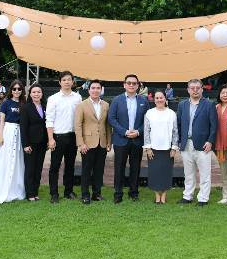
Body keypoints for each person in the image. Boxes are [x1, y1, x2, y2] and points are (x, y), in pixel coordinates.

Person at [108, 74, 150, 203]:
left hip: (137, 140)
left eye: (134, 83)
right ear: (124, 85)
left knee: (135, 168)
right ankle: (118, 193)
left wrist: (138, 132)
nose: (131, 85)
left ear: (138, 85)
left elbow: (147, 120)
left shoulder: (144, 101)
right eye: (129, 83)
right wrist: (124, 132)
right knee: (119, 167)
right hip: (121, 140)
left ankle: (134, 193)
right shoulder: (116, 100)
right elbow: (111, 119)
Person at [177, 78, 218, 206]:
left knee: (205, 173)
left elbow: (214, 126)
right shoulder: (182, 105)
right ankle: (187, 196)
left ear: (202, 89)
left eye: (197, 88)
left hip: (203, 144)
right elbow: (179, 124)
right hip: (186, 144)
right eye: (192, 88)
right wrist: (180, 141)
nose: (195, 90)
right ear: (188, 90)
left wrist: (210, 141)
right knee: (188, 173)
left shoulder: (209, 104)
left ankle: (203, 198)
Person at [46, 70, 83, 203]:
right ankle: (54, 194)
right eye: (64, 80)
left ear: (73, 82)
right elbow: (49, 120)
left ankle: (68, 191)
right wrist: (51, 138)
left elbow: (80, 118)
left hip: (72, 136)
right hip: (58, 137)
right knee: (54, 167)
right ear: (60, 82)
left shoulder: (78, 98)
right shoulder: (53, 98)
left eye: (69, 79)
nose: (67, 82)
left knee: (70, 165)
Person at [0, 80, 26, 203]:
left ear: (22, 90)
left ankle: (16, 189)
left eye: (19, 89)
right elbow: (2, 121)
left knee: (17, 160)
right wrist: (1, 136)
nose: (17, 91)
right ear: (11, 90)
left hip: (19, 132)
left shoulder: (24, 103)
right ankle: (2, 189)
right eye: (14, 89)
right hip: (8, 131)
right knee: (5, 159)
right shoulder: (6, 103)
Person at [74, 80, 111, 204]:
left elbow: (107, 125)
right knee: (86, 170)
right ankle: (85, 195)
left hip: (102, 142)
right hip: (87, 143)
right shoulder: (82, 105)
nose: (95, 90)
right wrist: (81, 143)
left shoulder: (106, 105)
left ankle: (97, 194)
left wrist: (109, 142)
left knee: (99, 170)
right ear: (89, 90)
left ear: (101, 90)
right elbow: (78, 125)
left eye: (98, 88)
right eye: (93, 88)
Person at [143, 91, 179, 204]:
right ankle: (157, 196)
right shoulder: (149, 113)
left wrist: (174, 148)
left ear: (165, 99)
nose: (159, 100)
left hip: (167, 149)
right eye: (157, 98)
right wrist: (148, 148)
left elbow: (175, 132)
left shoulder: (171, 113)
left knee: (166, 173)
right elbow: (146, 131)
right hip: (153, 149)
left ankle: (163, 196)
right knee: (154, 173)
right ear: (154, 100)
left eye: (161, 97)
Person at [20, 83, 48, 201]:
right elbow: (23, 127)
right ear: (30, 94)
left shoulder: (45, 106)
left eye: (38, 92)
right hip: (30, 143)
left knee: (38, 168)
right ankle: (30, 194)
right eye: (34, 92)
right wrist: (25, 145)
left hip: (43, 142)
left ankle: (36, 192)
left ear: (42, 94)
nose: (36, 94)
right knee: (30, 169)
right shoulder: (25, 107)